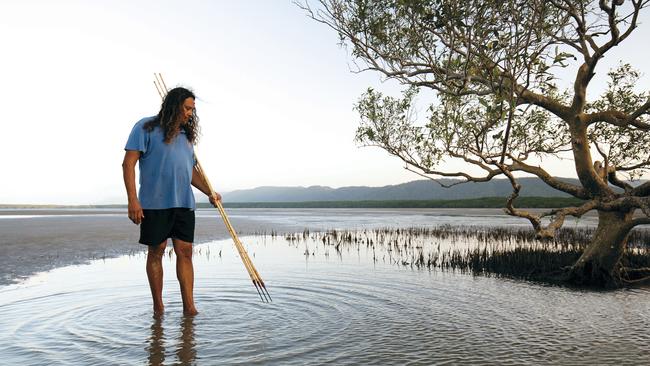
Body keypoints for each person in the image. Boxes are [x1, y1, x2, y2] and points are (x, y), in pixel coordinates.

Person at [122, 87, 221, 316]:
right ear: (174, 105)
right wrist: (132, 201)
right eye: (187, 108)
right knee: (156, 251)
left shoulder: (187, 137)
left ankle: (190, 308)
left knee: (185, 252)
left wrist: (210, 191)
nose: (189, 113)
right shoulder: (145, 127)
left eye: (192, 110)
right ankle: (159, 307)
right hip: (154, 203)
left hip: (184, 203)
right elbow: (128, 164)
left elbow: (191, 172)